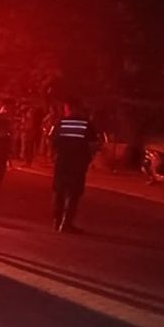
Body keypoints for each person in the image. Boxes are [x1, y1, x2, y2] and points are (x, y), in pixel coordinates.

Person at [49, 100, 100, 233]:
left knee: (59, 191)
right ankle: (66, 223)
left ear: (68, 108)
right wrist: (89, 159)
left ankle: (57, 222)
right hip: (78, 163)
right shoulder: (86, 124)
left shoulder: (61, 123)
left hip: (62, 161)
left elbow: (52, 141)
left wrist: (55, 155)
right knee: (74, 193)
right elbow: (94, 144)